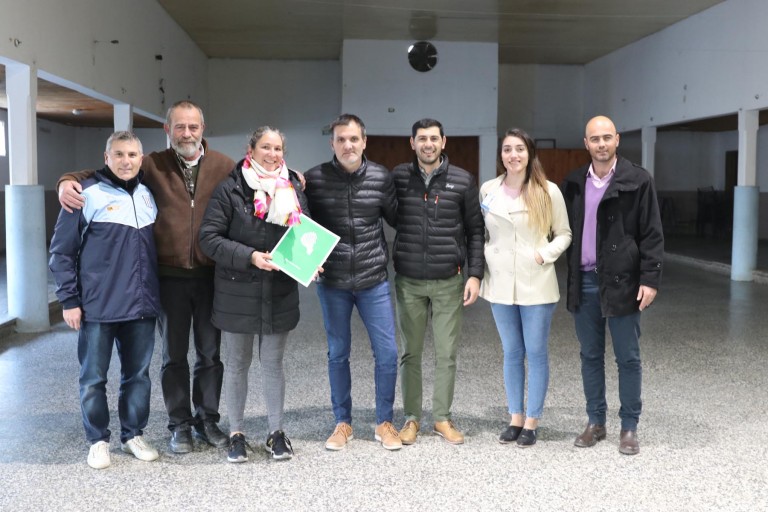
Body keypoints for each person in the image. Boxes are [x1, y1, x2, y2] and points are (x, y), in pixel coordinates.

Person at [57, 100, 235, 454]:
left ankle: (207, 419)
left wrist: (291, 176)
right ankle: (179, 424)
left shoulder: (224, 166)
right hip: (167, 279)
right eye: (179, 127)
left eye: (193, 127)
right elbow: (104, 172)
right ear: (168, 130)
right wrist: (66, 181)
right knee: (172, 356)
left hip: (209, 277)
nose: (187, 133)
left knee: (210, 354)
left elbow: (258, 174)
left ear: (202, 129)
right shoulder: (152, 163)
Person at [49, 131, 162, 469]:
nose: (126, 161)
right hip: (97, 307)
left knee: (137, 376)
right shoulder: (85, 194)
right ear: (106, 157)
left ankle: (132, 435)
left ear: (141, 159)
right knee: (93, 378)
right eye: (119, 154)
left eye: (132, 155)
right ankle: (98, 441)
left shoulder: (148, 195)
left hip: (141, 306)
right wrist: (69, 300)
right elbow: (61, 252)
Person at [199, 127, 308, 463]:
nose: (272, 154)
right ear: (251, 149)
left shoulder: (293, 187)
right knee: (237, 365)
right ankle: (237, 433)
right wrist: (250, 256)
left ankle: (277, 433)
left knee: (273, 364)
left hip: (279, 291)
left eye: (278, 148)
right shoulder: (230, 189)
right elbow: (209, 238)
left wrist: (310, 260)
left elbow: (302, 233)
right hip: (237, 291)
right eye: (265, 147)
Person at [561, 115, 664, 455]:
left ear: (617, 139)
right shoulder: (574, 183)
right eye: (595, 139)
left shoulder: (638, 180)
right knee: (590, 356)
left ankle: (629, 426)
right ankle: (595, 421)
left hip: (623, 282)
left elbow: (652, 233)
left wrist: (650, 279)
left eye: (607, 137)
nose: (601, 144)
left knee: (628, 358)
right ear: (586, 143)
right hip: (584, 282)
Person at [303, 114, 402, 451]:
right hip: (333, 282)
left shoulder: (380, 176)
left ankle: (384, 422)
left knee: (387, 353)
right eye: (341, 139)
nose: (348, 145)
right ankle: (342, 423)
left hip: (373, 279)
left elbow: (398, 218)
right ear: (332, 143)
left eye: (354, 139)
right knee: (338, 353)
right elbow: (300, 223)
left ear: (364, 142)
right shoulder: (314, 179)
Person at [392, 118, 485, 445]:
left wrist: (475, 274)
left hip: (449, 280)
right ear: (412, 143)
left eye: (433, 138)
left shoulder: (463, 180)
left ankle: (442, 418)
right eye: (422, 138)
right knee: (410, 354)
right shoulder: (398, 177)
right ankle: (412, 418)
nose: (428, 144)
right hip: (409, 281)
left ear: (443, 142)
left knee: (446, 354)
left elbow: (475, 230)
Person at [478, 128, 572, 447]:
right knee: (511, 352)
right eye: (507, 149)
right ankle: (515, 417)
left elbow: (564, 234)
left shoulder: (547, 191)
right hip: (500, 282)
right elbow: (483, 233)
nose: (513, 155)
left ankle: (532, 420)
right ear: (501, 155)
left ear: (530, 153)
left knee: (536, 352)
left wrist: (543, 254)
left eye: (519, 149)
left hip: (536, 282)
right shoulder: (488, 190)